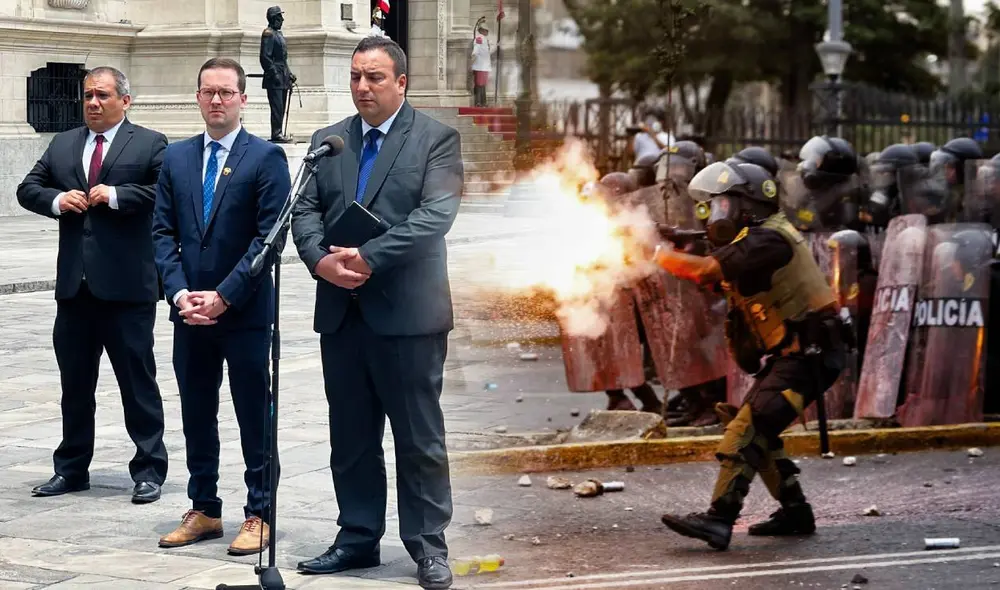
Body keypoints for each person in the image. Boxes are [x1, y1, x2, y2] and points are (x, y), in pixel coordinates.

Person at [290, 36, 462, 589]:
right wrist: (320, 261)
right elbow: (306, 210)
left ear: (402, 82)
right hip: (342, 312)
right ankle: (357, 536)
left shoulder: (436, 139)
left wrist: (367, 256)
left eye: (376, 78)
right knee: (352, 435)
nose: (363, 87)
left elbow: (435, 216)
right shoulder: (328, 140)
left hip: (408, 315)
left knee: (418, 437)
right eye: (357, 77)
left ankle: (428, 546)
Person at [652, 159, 847, 551]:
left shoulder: (768, 239)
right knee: (762, 430)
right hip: (797, 355)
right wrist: (676, 241)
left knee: (747, 430)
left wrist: (656, 254)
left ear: (749, 205)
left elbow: (707, 270)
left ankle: (719, 519)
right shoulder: (755, 240)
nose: (715, 214)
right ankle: (795, 512)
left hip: (808, 355)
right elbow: (719, 265)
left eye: (722, 205)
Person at [151, 57, 290, 556]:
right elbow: (162, 232)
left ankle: (260, 513)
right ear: (197, 97)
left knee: (254, 413)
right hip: (189, 312)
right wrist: (179, 292)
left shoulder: (265, 158)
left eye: (226, 93)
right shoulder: (177, 158)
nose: (216, 100)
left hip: (245, 313)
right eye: (208, 92)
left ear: (243, 99)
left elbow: (269, 238)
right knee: (196, 412)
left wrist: (225, 295)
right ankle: (204, 507)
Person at [16, 66, 169, 505]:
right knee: (75, 386)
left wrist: (117, 195)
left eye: (102, 95)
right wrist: (57, 200)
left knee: (137, 383)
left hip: (127, 290)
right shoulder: (64, 143)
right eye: (87, 96)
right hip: (75, 288)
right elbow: (29, 188)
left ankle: (148, 469)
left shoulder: (150, 142)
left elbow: (163, 193)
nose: (93, 103)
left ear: (125, 99)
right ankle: (71, 468)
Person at [259, 5, 296, 143]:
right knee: (277, 106)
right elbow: (265, 57)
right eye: (280, 17)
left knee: (281, 106)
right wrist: (274, 73)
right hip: (274, 77)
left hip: (283, 75)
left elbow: (282, 59)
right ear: (274, 18)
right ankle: (276, 133)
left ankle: (279, 132)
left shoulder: (278, 34)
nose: (282, 20)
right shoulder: (268, 34)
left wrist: (289, 73)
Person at [470, 24, 491, 107]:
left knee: (482, 84)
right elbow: (476, 51)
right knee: (479, 84)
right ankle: (479, 102)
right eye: (486, 30)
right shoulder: (479, 38)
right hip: (480, 66)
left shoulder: (485, 39)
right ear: (482, 30)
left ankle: (483, 102)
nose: (487, 32)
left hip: (484, 66)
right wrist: (472, 61)